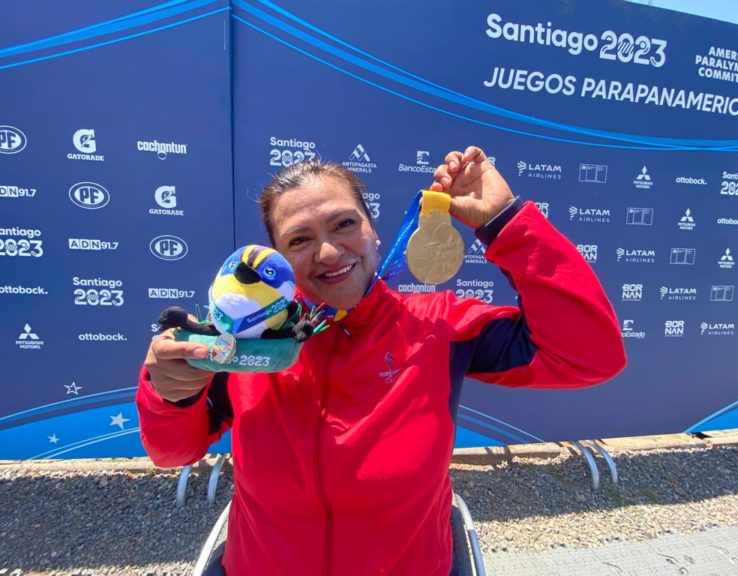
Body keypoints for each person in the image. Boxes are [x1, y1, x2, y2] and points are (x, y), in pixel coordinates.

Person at [137, 146, 626, 576]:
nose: (329, 251)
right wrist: (167, 392)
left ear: (374, 231)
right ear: (279, 260)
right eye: (299, 239)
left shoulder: (438, 326)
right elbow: (172, 452)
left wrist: (504, 221)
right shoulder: (250, 343)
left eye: (344, 224)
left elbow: (590, 355)